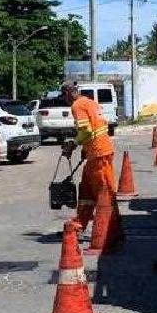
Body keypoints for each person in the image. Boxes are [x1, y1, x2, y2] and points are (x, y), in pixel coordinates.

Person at [61, 82, 115, 228]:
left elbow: (86, 131)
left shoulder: (77, 106)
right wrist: (85, 148)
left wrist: (73, 144)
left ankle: (111, 230)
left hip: (99, 154)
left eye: (64, 96)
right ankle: (80, 222)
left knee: (104, 192)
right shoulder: (90, 102)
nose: (65, 100)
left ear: (68, 94)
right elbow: (97, 127)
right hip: (98, 152)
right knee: (86, 188)